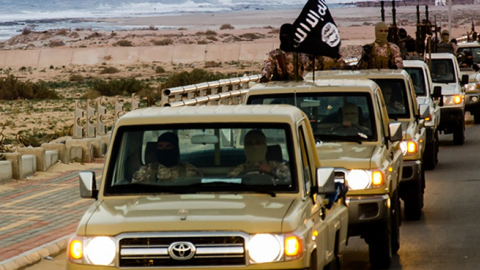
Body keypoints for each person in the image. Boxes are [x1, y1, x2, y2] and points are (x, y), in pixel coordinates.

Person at [132, 132, 202, 183]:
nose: (164, 150)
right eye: (160, 146)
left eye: (168, 146)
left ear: (175, 149)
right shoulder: (145, 172)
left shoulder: (191, 172)